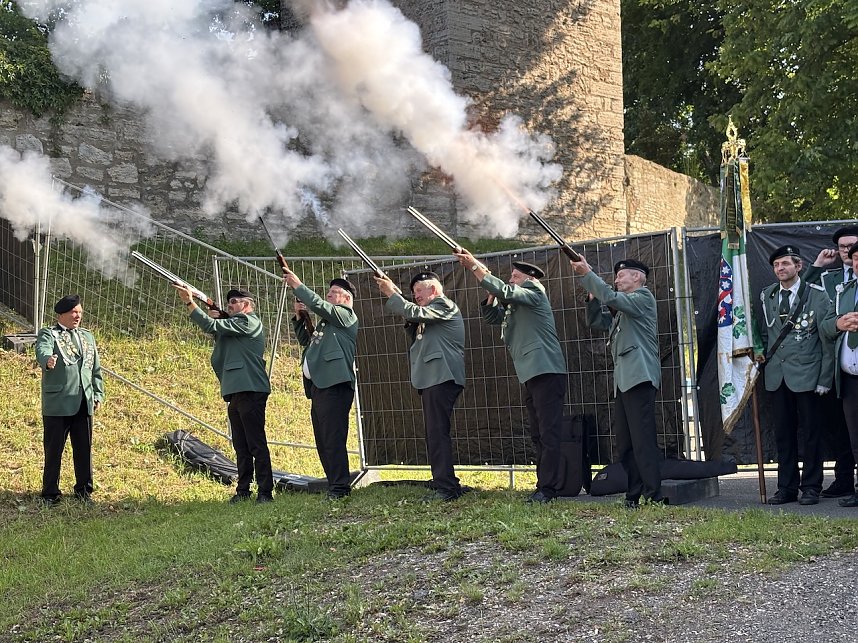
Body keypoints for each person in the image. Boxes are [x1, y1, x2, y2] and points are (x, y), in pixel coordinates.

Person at [455, 250, 567, 503]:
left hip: (546, 370)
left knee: (548, 433)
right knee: (538, 433)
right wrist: (491, 296)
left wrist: (475, 266)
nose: (511, 280)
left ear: (530, 279)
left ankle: (549, 488)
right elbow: (494, 317)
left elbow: (508, 293)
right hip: (532, 372)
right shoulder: (518, 304)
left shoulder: (535, 292)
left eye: (515, 276)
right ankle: (544, 485)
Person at [570, 256, 664, 508]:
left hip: (639, 376)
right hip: (624, 381)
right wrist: (592, 297)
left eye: (622, 275)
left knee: (642, 440)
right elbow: (597, 321)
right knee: (625, 443)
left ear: (638, 277)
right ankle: (633, 494)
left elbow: (612, 299)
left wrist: (588, 275)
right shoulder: (624, 312)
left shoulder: (643, 298)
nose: (617, 278)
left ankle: (653, 493)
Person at [174, 285, 274, 504]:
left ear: (246, 305)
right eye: (229, 303)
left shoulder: (247, 321)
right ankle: (244, 490)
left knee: (256, 443)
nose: (230, 305)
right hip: (236, 389)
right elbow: (217, 331)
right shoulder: (234, 324)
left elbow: (210, 325)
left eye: (235, 302)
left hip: (250, 388)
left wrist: (190, 303)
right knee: (241, 444)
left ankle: (265, 491)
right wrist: (218, 320)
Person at [375, 270, 466, 501]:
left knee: (437, 433)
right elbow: (414, 320)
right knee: (435, 432)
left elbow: (414, 313)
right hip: (433, 377)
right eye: (413, 292)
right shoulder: (431, 311)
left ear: (433, 290)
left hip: (441, 376)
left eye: (418, 291)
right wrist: (396, 295)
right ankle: (445, 481)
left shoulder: (443, 305)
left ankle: (445, 487)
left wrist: (391, 294)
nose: (415, 295)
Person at [758, 245, 833, 505]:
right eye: (777, 265)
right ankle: (786, 487)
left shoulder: (817, 296)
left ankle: (811, 487)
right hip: (777, 375)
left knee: (811, 433)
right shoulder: (767, 296)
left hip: (808, 374)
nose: (780, 269)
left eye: (785, 264)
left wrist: (825, 379)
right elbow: (765, 334)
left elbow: (826, 341)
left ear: (798, 266)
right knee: (783, 434)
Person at [282, 270, 358, 500]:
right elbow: (308, 341)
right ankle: (334, 483)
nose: (329, 295)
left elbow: (321, 306)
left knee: (333, 437)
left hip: (335, 384)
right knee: (323, 438)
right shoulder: (327, 325)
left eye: (335, 293)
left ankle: (340, 487)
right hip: (320, 385)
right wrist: (300, 318)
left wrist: (298, 285)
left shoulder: (346, 315)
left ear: (347, 299)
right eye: (329, 292)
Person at [34, 294, 104, 506]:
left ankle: (84, 490)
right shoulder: (49, 333)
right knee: (54, 450)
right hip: (58, 402)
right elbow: (41, 351)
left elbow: (95, 368)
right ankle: (50, 493)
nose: (78, 316)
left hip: (83, 400)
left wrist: (98, 393)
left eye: (80, 313)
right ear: (62, 313)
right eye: (74, 312)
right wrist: (48, 360)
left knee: (84, 449)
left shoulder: (87, 337)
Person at [804, 225, 858, 498]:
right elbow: (802, 294)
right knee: (839, 428)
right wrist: (817, 266)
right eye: (843, 247)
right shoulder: (830, 277)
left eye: (852, 246)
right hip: (831, 363)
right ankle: (844, 480)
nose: (848, 251)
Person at [821, 242, 858, 508]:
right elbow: (823, 325)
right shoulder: (844, 290)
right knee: (855, 439)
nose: (857, 263)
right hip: (849, 380)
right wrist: (837, 323)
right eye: (855, 259)